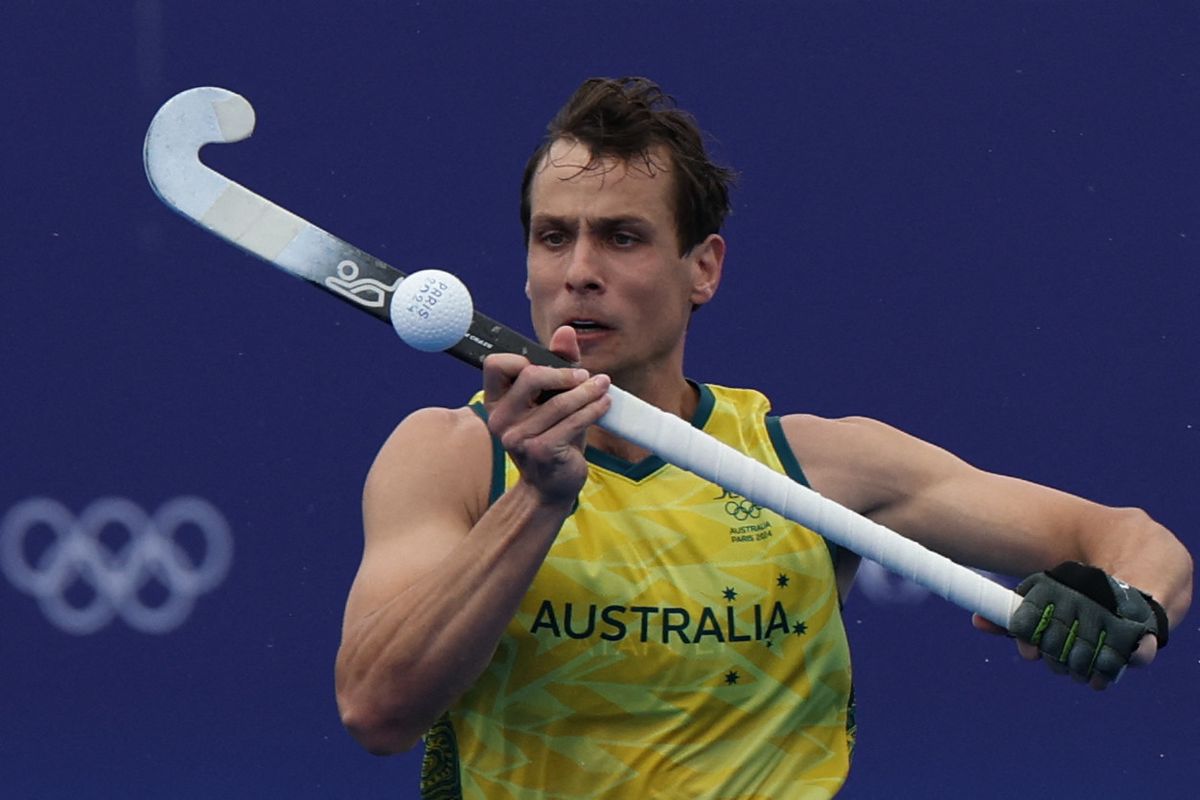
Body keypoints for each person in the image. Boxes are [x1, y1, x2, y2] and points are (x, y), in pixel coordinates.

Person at [334, 77, 1192, 799]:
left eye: (622, 236)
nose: (578, 270)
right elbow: (377, 710)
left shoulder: (816, 464)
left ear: (702, 268)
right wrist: (539, 501)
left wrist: (1129, 605)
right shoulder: (452, 456)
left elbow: (1131, 540)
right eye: (553, 236)